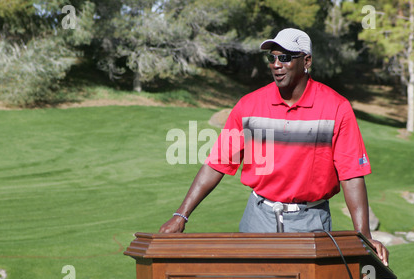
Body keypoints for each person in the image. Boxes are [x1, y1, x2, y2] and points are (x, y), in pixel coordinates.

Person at [159, 28, 389, 266]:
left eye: (286, 57)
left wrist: (364, 235)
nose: (277, 64)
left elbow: (351, 174)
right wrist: (181, 215)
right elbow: (216, 164)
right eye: (273, 57)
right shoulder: (249, 105)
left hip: (311, 222)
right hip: (258, 219)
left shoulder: (336, 108)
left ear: (306, 61)